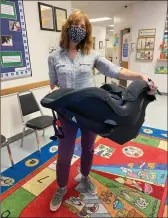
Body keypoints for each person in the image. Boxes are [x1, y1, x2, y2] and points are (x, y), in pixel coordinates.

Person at [48, 10, 157, 211]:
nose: (78, 30)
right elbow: (52, 84)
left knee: (89, 148)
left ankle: (85, 176)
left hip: (90, 112)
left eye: (83, 27)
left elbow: (115, 70)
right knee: (64, 154)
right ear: (67, 27)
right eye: (75, 25)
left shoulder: (92, 55)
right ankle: (61, 187)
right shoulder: (54, 57)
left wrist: (140, 77)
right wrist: (58, 94)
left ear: (87, 31)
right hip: (66, 112)